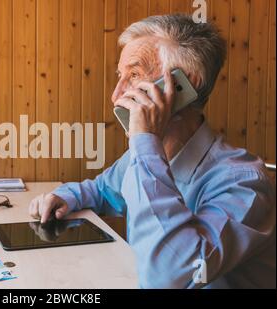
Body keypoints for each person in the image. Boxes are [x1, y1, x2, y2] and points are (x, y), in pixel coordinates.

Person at [28, 14, 276, 289]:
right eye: (119, 77)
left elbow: (170, 273)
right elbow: (102, 190)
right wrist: (65, 195)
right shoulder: (148, 155)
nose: (116, 95)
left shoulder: (244, 183)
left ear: (184, 86)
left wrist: (144, 140)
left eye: (133, 75)